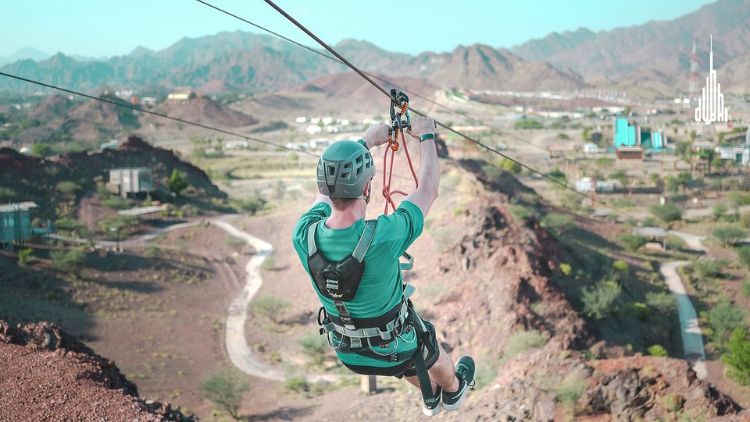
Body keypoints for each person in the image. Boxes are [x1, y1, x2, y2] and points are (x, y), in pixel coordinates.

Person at [291, 116, 475, 416]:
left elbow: (323, 195)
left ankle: (430, 396)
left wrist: (365, 141)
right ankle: (453, 390)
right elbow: (427, 190)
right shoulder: (385, 236)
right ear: (367, 189)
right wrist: (427, 136)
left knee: (400, 351)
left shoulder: (303, 234)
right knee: (424, 343)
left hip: (348, 351)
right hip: (396, 348)